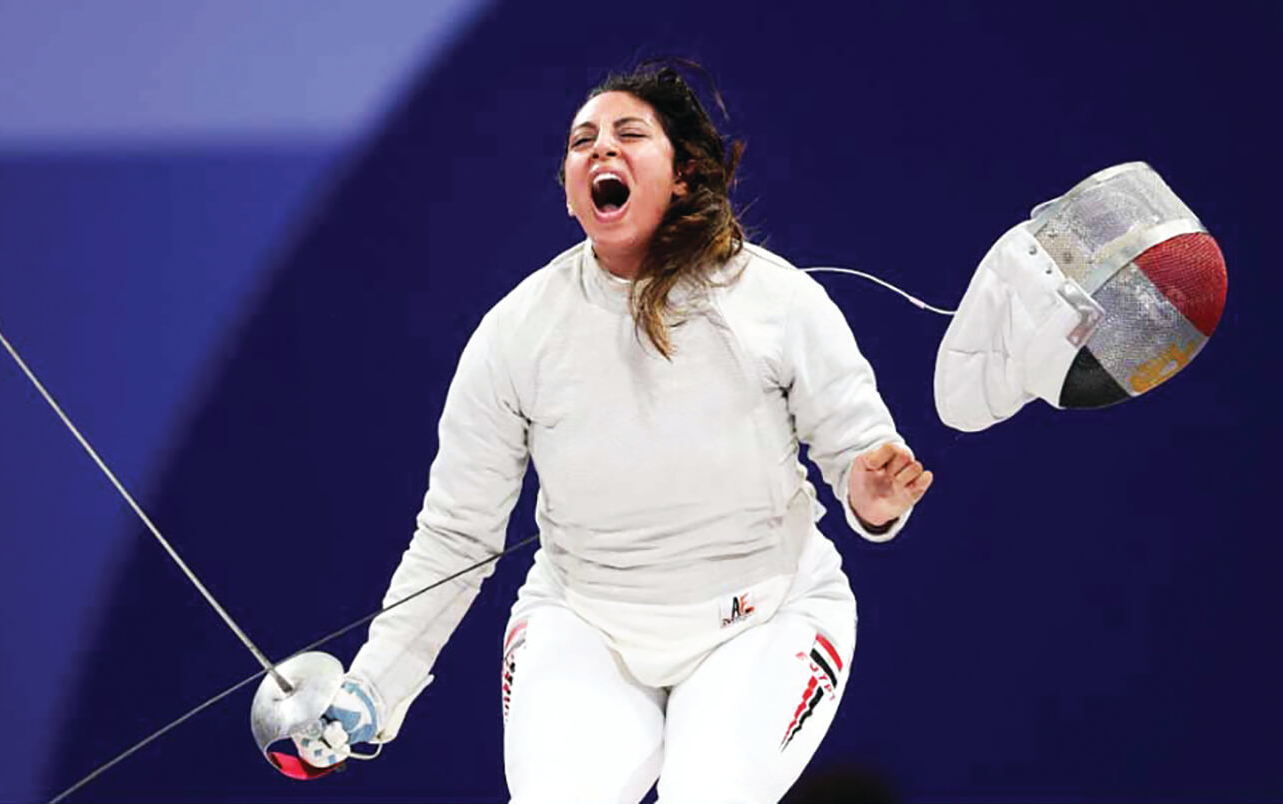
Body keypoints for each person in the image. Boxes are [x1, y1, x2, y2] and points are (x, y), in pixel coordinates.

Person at [296, 60, 933, 803]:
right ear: (571, 194)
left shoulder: (776, 300)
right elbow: (457, 534)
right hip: (586, 623)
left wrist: (871, 495)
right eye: (582, 142)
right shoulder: (517, 333)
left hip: (766, 617)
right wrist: (376, 684)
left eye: (629, 134)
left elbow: (859, 448)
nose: (601, 148)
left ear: (683, 174)